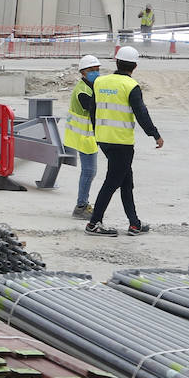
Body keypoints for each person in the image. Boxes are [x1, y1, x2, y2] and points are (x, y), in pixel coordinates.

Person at [86, 46, 164, 237]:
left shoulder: (100, 82)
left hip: (103, 139)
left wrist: (97, 133)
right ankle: (94, 223)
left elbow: (93, 109)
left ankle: (134, 224)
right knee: (112, 182)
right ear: (135, 66)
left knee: (126, 181)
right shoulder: (131, 86)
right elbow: (141, 113)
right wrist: (155, 134)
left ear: (116, 61)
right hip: (122, 142)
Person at [64, 55, 102, 220]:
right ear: (83, 72)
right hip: (83, 136)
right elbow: (93, 108)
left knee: (89, 172)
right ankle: (81, 206)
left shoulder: (91, 86)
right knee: (89, 171)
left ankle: (82, 204)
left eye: (97, 69)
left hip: (88, 135)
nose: (95, 72)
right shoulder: (82, 90)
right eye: (91, 70)